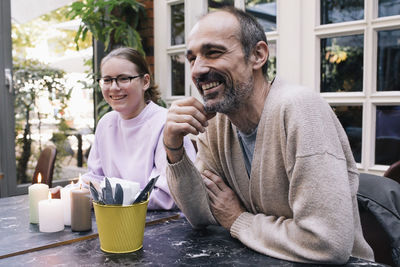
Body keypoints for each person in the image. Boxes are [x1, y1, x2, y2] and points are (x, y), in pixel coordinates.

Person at [163, 7, 374, 264]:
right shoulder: (217, 124)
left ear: (258, 55)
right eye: (192, 59)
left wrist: (238, 220)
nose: (197, 70)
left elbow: (327, 243)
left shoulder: (300, 109)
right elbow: (201, 215)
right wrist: (173, 149)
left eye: (213, 53)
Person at [82, 47, 196, 210]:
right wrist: (71, 191)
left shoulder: (166, 124)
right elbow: (94, 178)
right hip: (114, 221)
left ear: (145, 82)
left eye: (123, 78)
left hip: (162, 226)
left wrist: (108, 197)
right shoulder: (106, 123)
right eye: (107, 80)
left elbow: (168, 196)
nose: (114, 87)